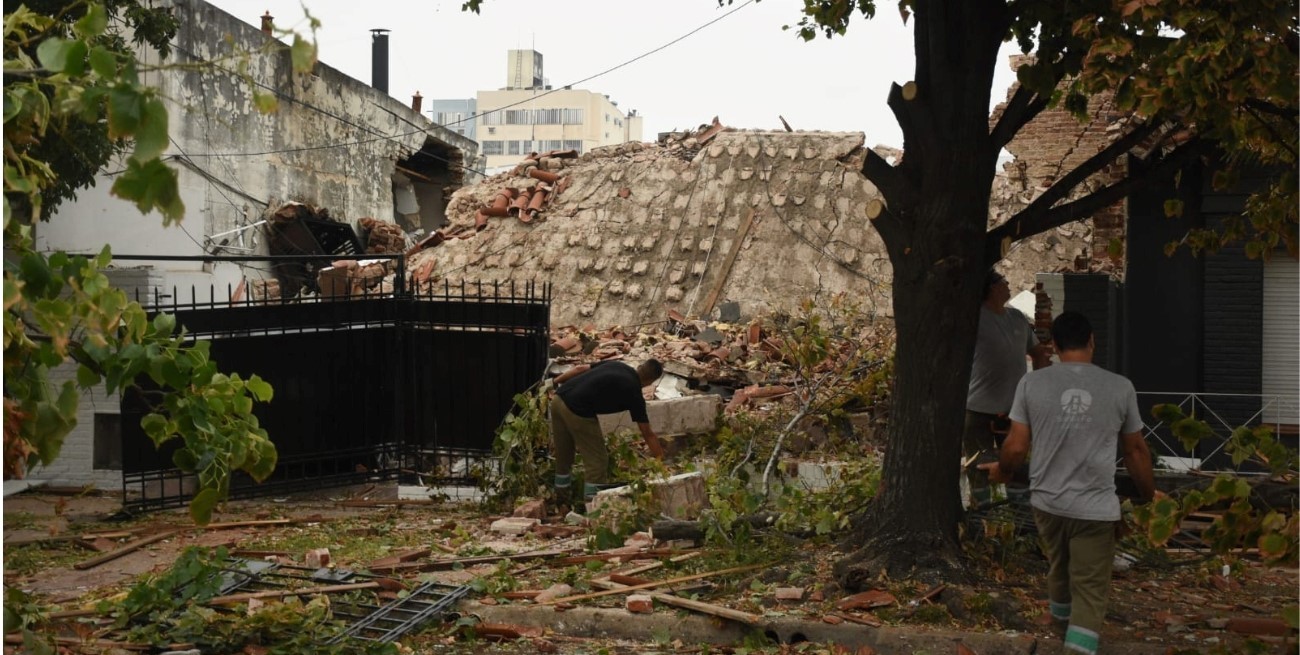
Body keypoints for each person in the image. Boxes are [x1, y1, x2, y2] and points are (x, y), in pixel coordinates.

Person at [982, 311, 1156, 655]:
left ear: (1055, 346)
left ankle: (1062, 627)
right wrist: (1149, 495)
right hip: (1095, 510)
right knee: (1089, 588)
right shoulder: (1119, 387)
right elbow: (1135, 451)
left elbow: (1016, 446)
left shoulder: (1032, 384)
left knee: (1059, 568)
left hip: (1047, 505)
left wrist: (1003, 472)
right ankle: (1077, 646)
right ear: (1092, 341)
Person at [964, 269, 1051, 507]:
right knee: (978, 466)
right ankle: (981, 515)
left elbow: (1039, 353)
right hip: (978, 408)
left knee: (1017, 465)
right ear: (992, 288)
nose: (1008, 283)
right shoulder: (974, 319)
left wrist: (1037, 387)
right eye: (1003, 281)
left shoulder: (1017, 318)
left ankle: (1020, 516)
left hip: (1014, 410)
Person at [549, 359, 666, 505]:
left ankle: (561, 499)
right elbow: (647, 433)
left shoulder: (617, 365)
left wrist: (553, 382)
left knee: (564, 455)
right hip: (577, 411)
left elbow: (580, 368)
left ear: (640, 366)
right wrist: (661, 462)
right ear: (650, 381)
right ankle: (592, 506)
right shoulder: (634, 393)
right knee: (598, 461)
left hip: (558, 399)